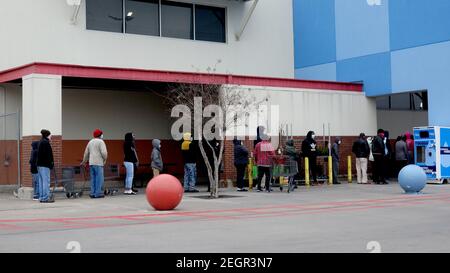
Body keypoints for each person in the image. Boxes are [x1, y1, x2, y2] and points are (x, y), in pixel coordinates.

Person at [81, 129, 108, 198]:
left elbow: (86, 153)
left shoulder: (90, 142)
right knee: (99, 179)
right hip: (98, 163)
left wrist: (84, 161)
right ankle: (98, 193)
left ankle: (92, 193)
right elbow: (104, 153)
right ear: (100, 135)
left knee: (93, 179)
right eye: (101, 134)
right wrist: (104, 159)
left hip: (91, 163)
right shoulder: (101, 142)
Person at [36, 129, 55, 203]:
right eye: (50, 135)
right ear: (47, 135)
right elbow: (48, 155)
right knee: (46, 182)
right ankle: (45, 198)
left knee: (41, 182)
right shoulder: (46, 143)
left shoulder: (41, 141)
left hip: (40, 165)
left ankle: (41, 197)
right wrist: (51, 164)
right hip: (45, 165)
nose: (51, 136)